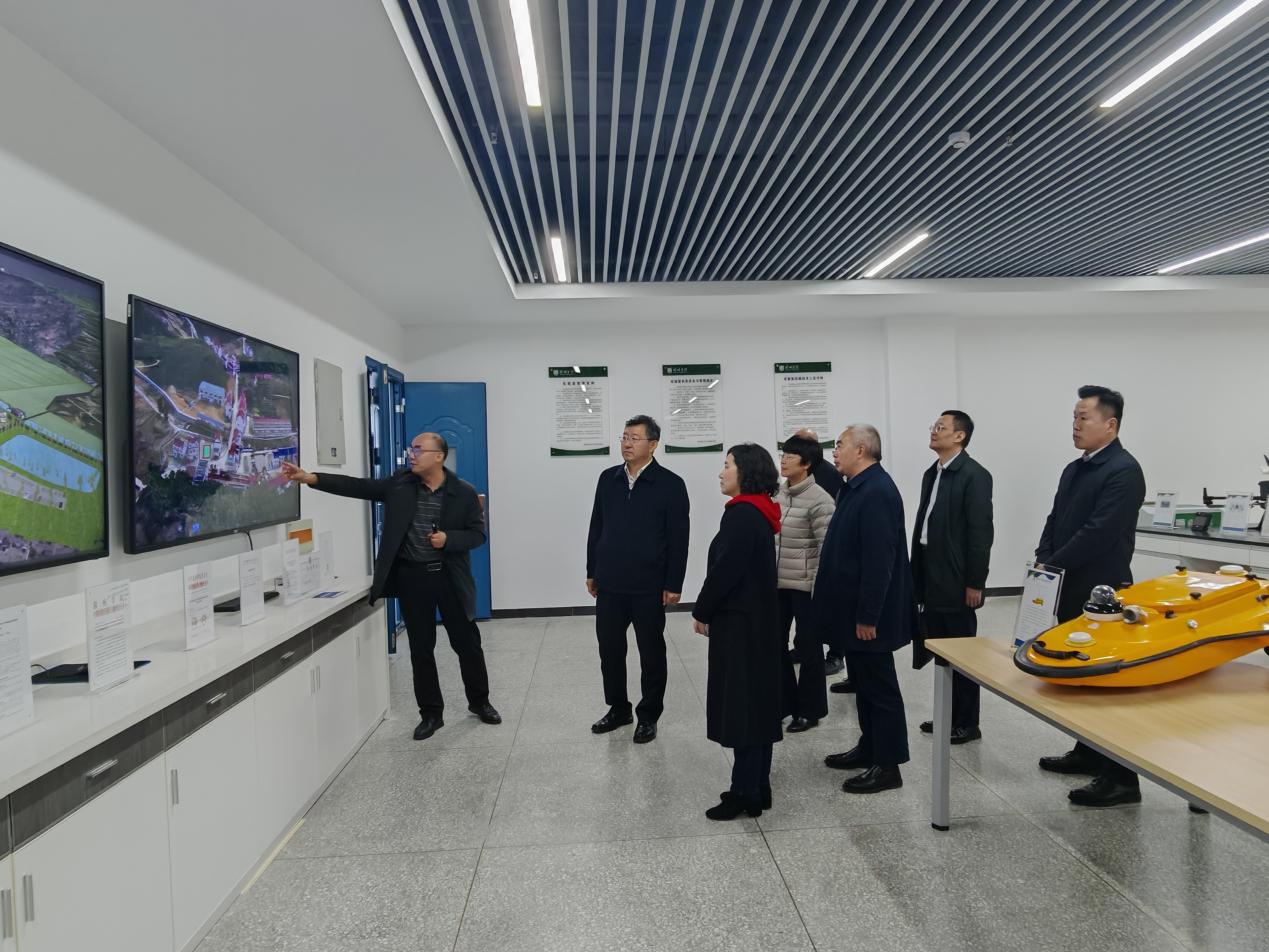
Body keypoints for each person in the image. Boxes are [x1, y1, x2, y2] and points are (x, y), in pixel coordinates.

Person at [280, 434, 500, 741]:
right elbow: (359, 487)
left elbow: (478, 535)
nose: (412, 455)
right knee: (421, 649)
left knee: (467, 644)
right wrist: (311, 478)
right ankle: (431, 714)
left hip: (450, 578)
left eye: (419, 450)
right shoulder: (400, 485)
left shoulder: (463, 493)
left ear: (438, 456)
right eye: (412, 449)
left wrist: (449, 539)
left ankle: (480, 701)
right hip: (413, 578)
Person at [1035, 386, 1146, 807]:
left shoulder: (1124, 470)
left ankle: (1121, 779)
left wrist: (1054, 563)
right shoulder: (1075, 468)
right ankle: (1087, 751)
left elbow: (1099, 533)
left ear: (1110, 424)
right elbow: (1055, 518)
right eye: (1074, 417)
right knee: (1080, 678)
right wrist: (1044, 558)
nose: (1075, 425)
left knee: (1105, 685)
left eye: (1084, 417)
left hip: (1102, 592)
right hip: (1067, 583)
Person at [814, 424, 913, 794]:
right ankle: (870, 746)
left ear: (861, 450)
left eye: (840, 445)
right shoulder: (855, 487)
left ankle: (888, 765)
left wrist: (868, 616)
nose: (834, 452)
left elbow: (878, 561)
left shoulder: (877, 492)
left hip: (869, 617)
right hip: (852, 612)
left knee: (880, 688)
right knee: (866, 687)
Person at [586, 415, 690, 744]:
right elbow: (596, 526)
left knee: (651, 653)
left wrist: (674, 583)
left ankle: (648, 715)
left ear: (653, 444)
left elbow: (679, 539)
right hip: (610, 583)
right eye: (624, 437)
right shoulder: (608, 479)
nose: (627, 444)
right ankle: (618, 708)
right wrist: (592, 570)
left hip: (649, 585)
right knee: (610, 650)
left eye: (635, 438)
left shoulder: (671, 484)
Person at [693, 444, 784, 819]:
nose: (721, 472)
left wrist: (702, 610)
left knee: (743, 708)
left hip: (740, 625)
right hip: (757, 622)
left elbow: (725, 572)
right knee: (758, 706)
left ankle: (744, 792)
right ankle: (758, 786)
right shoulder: (758, 511)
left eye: (727, 465)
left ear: (745, 472)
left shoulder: (742, 516)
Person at [912, 411, 994, 745]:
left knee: (962, 651)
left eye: (941, 428)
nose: (934, 431)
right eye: (933, 426)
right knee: (940, 649)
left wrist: (976, 581)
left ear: (959, 436)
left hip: (956, 577)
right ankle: (948, 715)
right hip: (930, 571)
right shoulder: (933, 472)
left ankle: (967, 722)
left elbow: (980, 533)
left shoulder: (974, 475)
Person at [775, 434, 835, 732]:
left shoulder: (821, 500)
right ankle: (783, 704)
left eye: (791, 456)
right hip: (778, 584)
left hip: (806, 586)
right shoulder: (778, 494)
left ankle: (811, 710)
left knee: (810, 649)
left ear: (807, 463)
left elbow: (827, 550)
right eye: (783, 454)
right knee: (775, 645)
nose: (784, 460)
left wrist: (819, 590)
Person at [793, 427, 847, 680]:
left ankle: (836, 655)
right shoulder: (798, 474)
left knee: (831, 606)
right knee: (803, 607)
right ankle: (802, 647)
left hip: (824, 550)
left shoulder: (829, 474)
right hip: (801, 553)